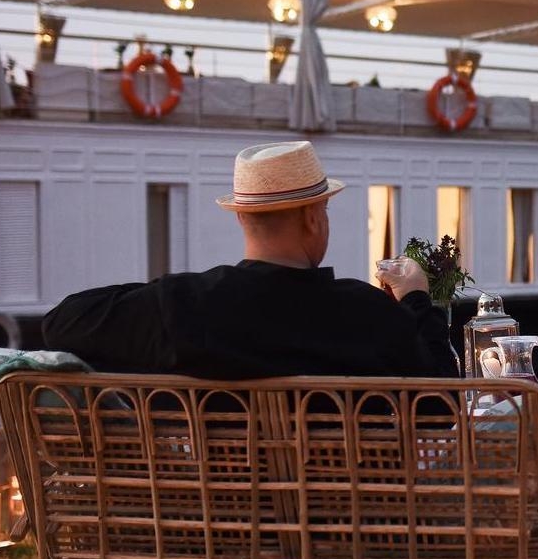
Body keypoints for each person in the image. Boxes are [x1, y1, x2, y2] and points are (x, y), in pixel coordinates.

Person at [42, 140, 460, 380]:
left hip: (219, 507)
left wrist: (164, 294)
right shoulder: (367, 313)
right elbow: (440, 401)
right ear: (313, 219)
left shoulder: (184, 306)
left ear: (241, 217)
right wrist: (415, 300)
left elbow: (60, 323)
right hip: (345, 507)